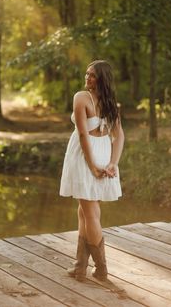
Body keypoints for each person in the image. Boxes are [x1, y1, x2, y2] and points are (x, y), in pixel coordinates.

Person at [59, 60, 124, 282]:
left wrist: (96, 164)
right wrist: (113, 162)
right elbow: (118, 136)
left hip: (85, 153)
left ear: (102, 79)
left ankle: (101, 269)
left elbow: (83, 135)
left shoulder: (80, 97)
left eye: (92, 75)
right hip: (103, 150)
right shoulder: (111, 103)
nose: (87, 78)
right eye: (86, 73)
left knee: (90, 212)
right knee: (84, 210)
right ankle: (79, 267)